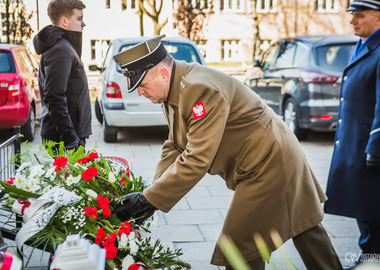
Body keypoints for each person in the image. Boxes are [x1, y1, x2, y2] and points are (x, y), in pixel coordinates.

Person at [111, 35, 343, 270]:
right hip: (267, 157)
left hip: (269, 162)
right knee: (305, 227)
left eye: (142, 85)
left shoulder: (198, 89)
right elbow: (175, 145)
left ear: (162, 73)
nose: (140, 92)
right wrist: (151, 194)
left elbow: (197, 158)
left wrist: (149, 199)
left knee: (238, 248)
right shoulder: (172, 89)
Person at [325, 0, 380, 268]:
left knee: (372, 209)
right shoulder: (363, 44)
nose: (352, 21)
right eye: (352, 15)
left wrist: (377, 146)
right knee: (364, 206)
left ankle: (371, 261)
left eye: (360, 15)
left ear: (379, 18)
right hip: (356, 142)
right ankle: (369, 258)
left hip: (370, 144)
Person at [33, 0, 92, 151]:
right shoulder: (61, 50)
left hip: (69, 134)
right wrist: (70, 139)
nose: (83, 23)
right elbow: (54, 96)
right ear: (64, 21)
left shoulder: (63, 47)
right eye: (79, 19)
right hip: (65, 139)